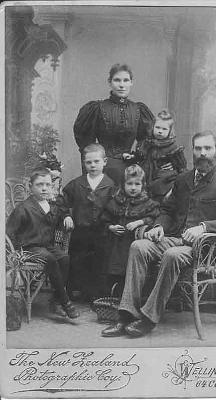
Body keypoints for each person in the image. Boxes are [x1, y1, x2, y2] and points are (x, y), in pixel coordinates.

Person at [101, 130, 216, 338]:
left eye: (207, 148)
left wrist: (204, 227)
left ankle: (149, 318)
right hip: (174, 238)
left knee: (172, 255)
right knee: (138, 246)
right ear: (193, 151)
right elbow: (167, 210)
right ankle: (126, 315)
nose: (202, 153)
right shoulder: (184, 179)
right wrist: (159, 226)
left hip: (202, 248)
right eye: (198, 148)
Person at [6, 168, 79, 319]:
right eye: (39, 185)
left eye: (47, 184)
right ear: (30, 187)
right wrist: (15, 252)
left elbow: (61, 213)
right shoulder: (24, 208)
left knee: (64, 258)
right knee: (50, 258)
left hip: (47, 246)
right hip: (28, 248)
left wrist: (66, 216)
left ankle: (56, 299)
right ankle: (65, 301)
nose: (44, 188)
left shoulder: (51, 206)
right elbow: (9, 232)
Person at [73, 63, 154, 184]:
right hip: (104, 170)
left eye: (126, 80)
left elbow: (147, 140)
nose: (121, 85)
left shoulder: (138, 109)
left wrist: (137, 155)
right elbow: (86, 145)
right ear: (109, 82)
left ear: (131, 82)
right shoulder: (97, 108)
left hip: (130, 171)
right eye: (117, 80)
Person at [60, 143, 116, 301]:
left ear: (104, 161)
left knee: (100, 263)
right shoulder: (77, 183)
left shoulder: (110, 185)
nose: (92, 165)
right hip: (81, 232)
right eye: (88, 162)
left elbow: (115, 208)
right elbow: (61, 201)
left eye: (96, 161)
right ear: (84, 163)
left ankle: (97, 296)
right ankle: (76, 291)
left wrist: (111, 224)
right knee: (77, 261)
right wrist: (66, 216)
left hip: (102, 233)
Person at [101, 164, 160, 296]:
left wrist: (140, 222)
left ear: (143, 185)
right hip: (116, 245)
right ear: (123, 185)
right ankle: (114, 296)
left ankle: (131, 295)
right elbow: (105, 218)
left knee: (132, 271)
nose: (133, 188)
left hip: (133, 244)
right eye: (129, 184)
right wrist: (111, 227)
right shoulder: (116, 201)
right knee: (114, 271)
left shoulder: (147, 203)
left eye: (137, 184)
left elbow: (154, 217)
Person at [126, 109, 187, 202]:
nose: (160, 131)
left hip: (162, 182)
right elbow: (140, 156)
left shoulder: (173, 148)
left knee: (159, 201)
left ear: (170, 131)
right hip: (146, 176)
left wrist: (173, 166)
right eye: (157, 127)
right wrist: (132, 157)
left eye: (164, 129)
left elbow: (182, 167)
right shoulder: (146, 143)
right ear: (153, 127)